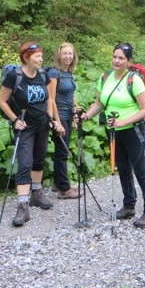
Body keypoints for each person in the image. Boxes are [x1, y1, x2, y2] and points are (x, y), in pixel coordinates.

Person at [81, 43, 145, 229]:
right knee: (122, 169)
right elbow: (99, 103)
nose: (116, 60)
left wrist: (124, 121)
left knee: (141, 171)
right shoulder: (105, 77)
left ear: (128, 60)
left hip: (134, 131)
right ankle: (129, 206)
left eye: (121, 58)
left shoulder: (134, 80)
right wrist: (86, 116)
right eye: (115, 56)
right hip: (113, 131)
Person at [0, 42, 64, 227]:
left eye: (41, 56)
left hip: (42, 124)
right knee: (25, 163)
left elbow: (49, 99)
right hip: (24, 126)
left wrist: (53, 120)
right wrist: (14, 120)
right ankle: (22, 205)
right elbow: (2, 101)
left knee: (39, 159)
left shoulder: (43, 75)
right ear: (27, 57)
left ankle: (36, 194)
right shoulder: (15, 76)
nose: (41, 59)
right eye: (37, 56)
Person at [47, 43, 80, 199]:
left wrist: (75, 112)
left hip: (68, 115)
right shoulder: (54, 73)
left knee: (62, 150)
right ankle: (64, 189)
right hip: (59, 116)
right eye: (65, 53)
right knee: (62, 152)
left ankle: (58, 182)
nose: (68, 56)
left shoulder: (68, 73)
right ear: (59, 55)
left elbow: (71, 95)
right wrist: (57, 122)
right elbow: (51, 99)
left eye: (70, 54)